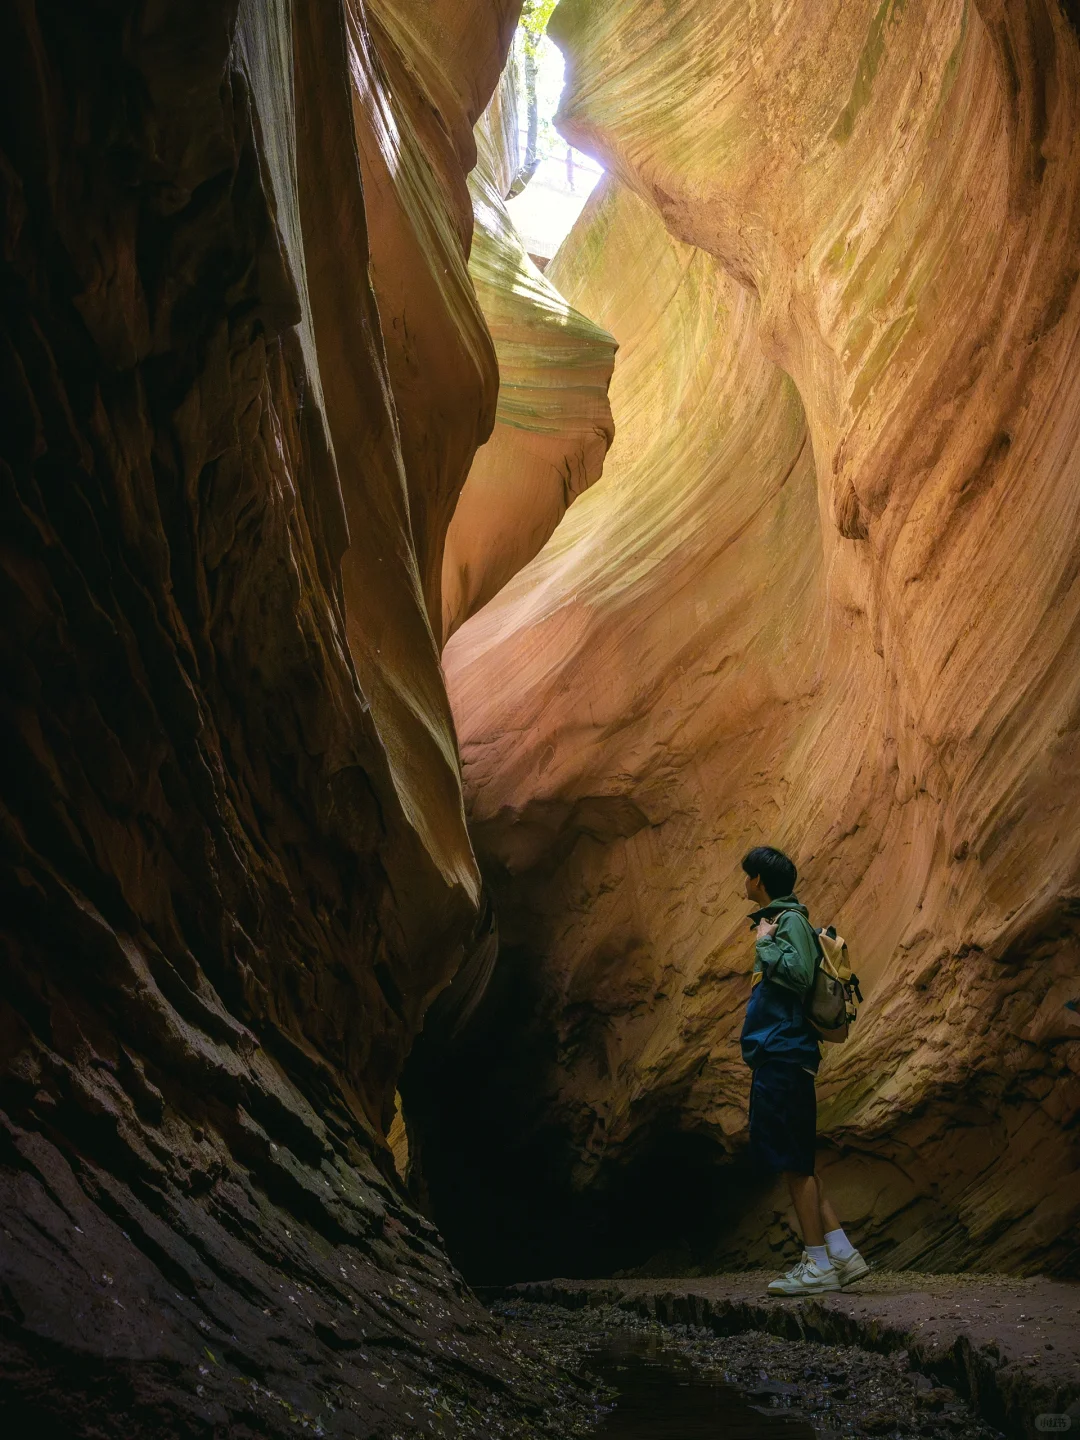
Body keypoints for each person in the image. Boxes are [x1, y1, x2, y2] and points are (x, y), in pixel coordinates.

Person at [739, 844, 869, 1294]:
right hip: (786, 1052)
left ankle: (817, 1266)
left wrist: (765, 944)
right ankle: (842, 1256)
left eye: (747, 875)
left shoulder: (787, 921)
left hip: (783, 1052)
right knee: (800, 1159)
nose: (745, 882)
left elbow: (796, 976)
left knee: (793, 1163)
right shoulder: (783, 920)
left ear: (758, 879)